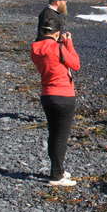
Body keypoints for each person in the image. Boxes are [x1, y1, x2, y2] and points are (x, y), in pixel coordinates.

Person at [31, 25, 81, 187]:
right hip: (63, 95)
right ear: (57, 33)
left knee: (53, 134)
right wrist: (69, 43)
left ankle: (57, 169)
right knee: (61, 137)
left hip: (47, 94)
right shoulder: (58, 47)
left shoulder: (35, 49)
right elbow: (75, 64)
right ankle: (57, 175)